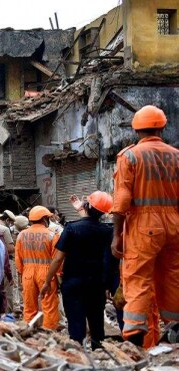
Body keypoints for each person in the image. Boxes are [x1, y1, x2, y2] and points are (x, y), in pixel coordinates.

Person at [111, 105, 179, 348]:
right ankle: (174, 333)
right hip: (174, 226)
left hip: (143, 225)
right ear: (162, 126)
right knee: (171, 278)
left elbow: (121, 201)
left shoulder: (129, 156)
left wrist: (117, 235)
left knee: (138, 279)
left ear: (136, 128)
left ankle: (135, 339)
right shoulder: (176, 154)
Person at [42, 192, 117, 349]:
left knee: (76, 323)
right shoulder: (108, 231)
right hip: (97, 285)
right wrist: (110, 284)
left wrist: (48, 281)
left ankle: (78, 354)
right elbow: (111, 261)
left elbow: (57, 259)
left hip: (73, 284)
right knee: (97, 322)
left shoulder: (71, 229)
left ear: (87, 206)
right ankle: (100, 354)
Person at [15, 206, 61, 330]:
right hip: (46, 274)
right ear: (45, 219)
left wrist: (22, 273)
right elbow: (57, 259)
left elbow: (18, 259)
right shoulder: (52, 235)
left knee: (29, 306)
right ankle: (48, 332)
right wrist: (58, 276)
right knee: (49, 305)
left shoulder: (21, 235)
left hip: (27, 274)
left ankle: (28, 331)